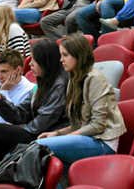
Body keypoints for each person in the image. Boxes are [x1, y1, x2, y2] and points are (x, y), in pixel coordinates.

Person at [37, 34, 125, 169]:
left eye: (65, 55)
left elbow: (98, 125)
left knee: (40, 146)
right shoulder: (74, 80)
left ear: (79, 56)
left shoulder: (95, 79)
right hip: (87, 138)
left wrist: (66, 138)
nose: (61, 60)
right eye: (61, 55)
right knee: (42, 152)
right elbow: (78, 124)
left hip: (103, 142)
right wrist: (57, 134)